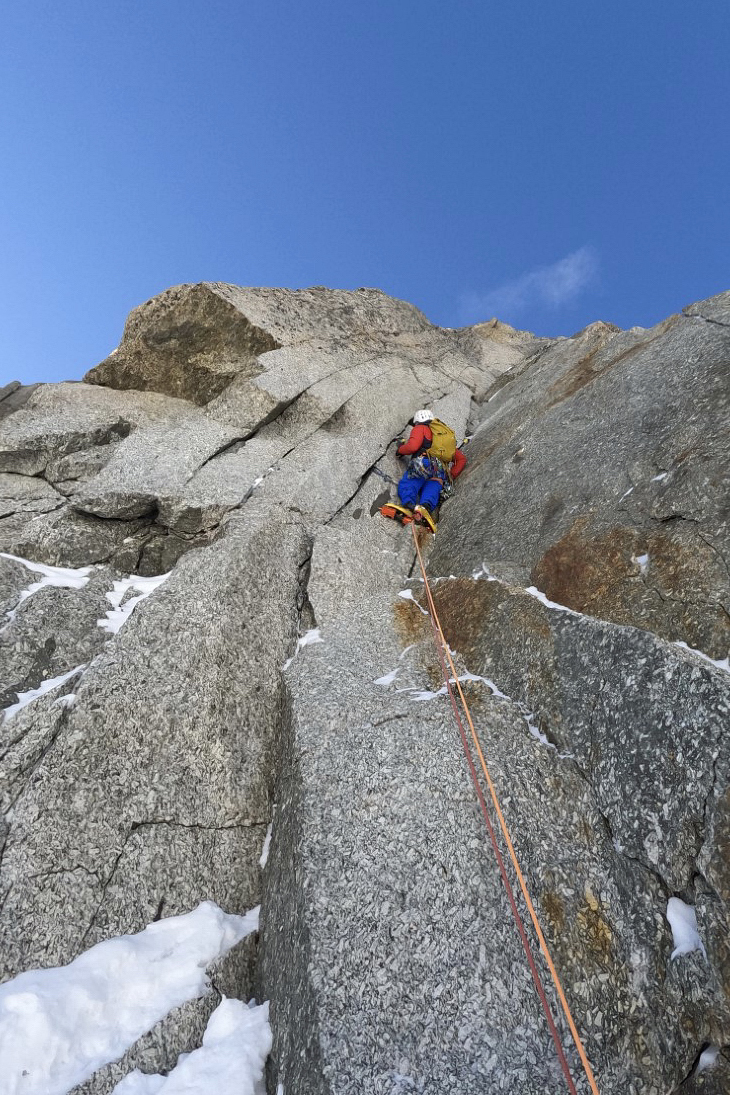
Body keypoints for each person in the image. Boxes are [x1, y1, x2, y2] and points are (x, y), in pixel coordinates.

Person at [396, 410, 466, 530]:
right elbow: (462, 459)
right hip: (440, 469)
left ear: (417, 421)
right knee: (433, 486)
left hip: (423, 462)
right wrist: (450, 476)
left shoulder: (421, 428)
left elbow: (413, 446)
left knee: (410, 482)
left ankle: (408, 506)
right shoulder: (443, 438)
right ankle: (424, 508)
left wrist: (400, 450)